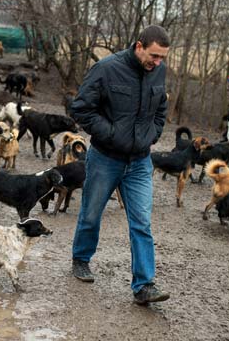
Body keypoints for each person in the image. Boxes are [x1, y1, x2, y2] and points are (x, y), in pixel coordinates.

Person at [69, 25, 170, 305]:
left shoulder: (158, 72)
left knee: (142, 222)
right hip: (105, 158)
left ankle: (144, 285)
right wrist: (111, 134)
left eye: (162, 57)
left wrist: (154, 134)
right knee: (91, 214)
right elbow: (80, 108)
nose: (158, 62)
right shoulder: (106, 69)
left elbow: (161, 108)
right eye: (154, 55)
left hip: (139, 161)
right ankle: (80, 258)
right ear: (139, 46)